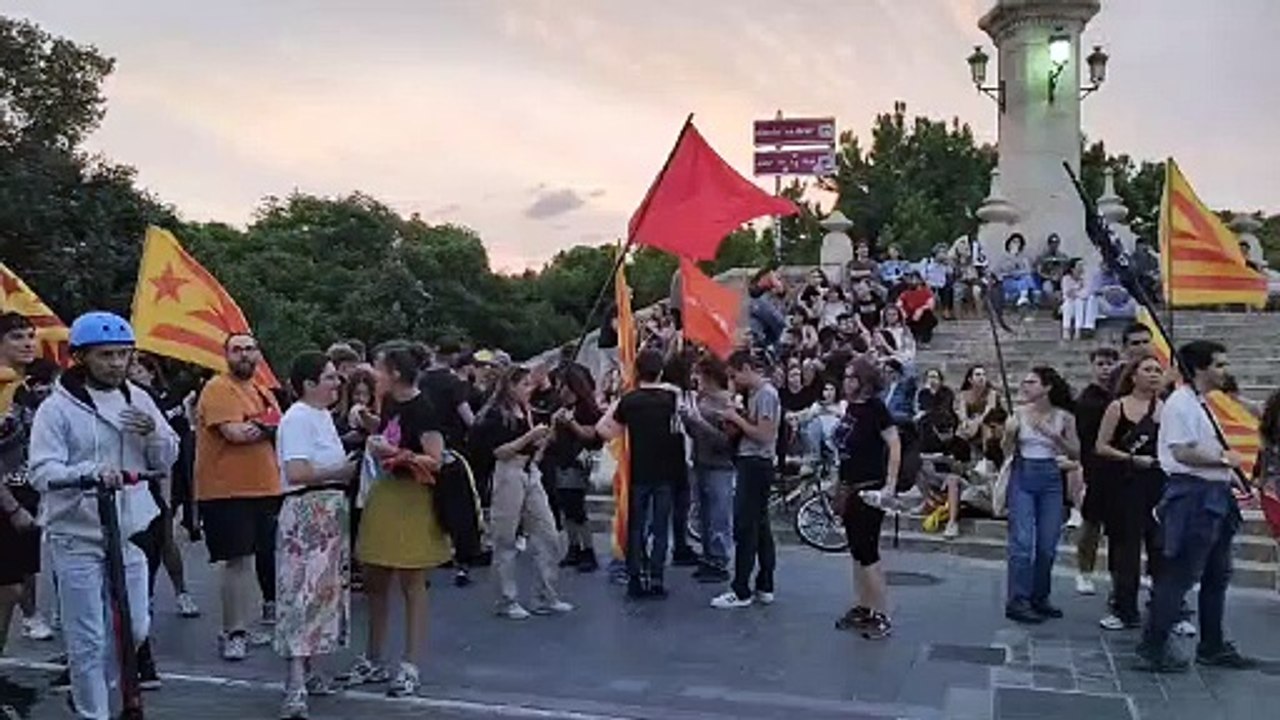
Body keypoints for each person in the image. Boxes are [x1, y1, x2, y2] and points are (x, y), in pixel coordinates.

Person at [29, 312, 179, 720]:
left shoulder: (138, 398)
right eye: (105, 355)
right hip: (76, 533)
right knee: (88, 637)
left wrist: (155, 434)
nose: (116, 363)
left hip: (127, 530)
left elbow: (166, 458)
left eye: (123, 355)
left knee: (134, 628)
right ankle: (94, 709)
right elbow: (41, 471)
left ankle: (96, 690)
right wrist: (87, 475)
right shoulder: (56, 409)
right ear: (80, 357)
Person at [1138, 341, 1257, 672]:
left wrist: (1232, 478)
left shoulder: (1200, 402)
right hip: (1192, 497)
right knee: (1181, 573)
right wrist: (1223, 459)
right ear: (1201, 369)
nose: (1224, 371)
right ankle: (1154, 644)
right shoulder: (1180, 404)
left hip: (1215, 494)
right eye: (1218, 365)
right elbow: (1182, 452)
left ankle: (1212, 643)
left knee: (1218, 573)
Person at [345, 343, 452, 696]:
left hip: (413, 498)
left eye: (377, 368)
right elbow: (394, 430)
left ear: (393, 372)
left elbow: (435, 460)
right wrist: (372, 425)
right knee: (375, 577)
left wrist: (392, 452)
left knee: (411, 582)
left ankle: (410, 664)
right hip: (386, 491)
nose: (372, 375)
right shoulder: (391, 402)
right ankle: (374, 657)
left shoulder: (424, 409)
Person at [274, 352, 358, 718]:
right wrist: (342, 469)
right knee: (301, 594)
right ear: (308, 384)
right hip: (308, 511)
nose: (337, 384)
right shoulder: (297, 419)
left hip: (327, 511)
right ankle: (295, 682)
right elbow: (297, 471)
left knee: (323, 594)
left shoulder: (321, 416)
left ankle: (311, 671)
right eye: (329, 378)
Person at [194, 333, 282, 661]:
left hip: (263, 486)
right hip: (227, 489)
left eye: (249, 349)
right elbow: (235, 433)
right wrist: (268, 426)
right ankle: (234, 632)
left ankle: (241, 624)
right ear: (225, 355)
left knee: (253, 558)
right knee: (237, 561)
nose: (244, 355)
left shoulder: (260, 390)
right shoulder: (219, 388)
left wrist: (261, 425)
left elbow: (277, 425)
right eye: (237, 350)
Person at [474, 365, 573, 617]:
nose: (530, 389)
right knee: (505, 537)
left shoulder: (527, 411)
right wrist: (530, 437)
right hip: (508, 471)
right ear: (511, 386)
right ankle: (506, 599)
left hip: (529, 471)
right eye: (525, 384)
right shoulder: (496, 414)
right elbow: (499, 451)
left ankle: (545, 594)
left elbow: (535, 450)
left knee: (548, 532)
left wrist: (544, 437)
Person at [597, 349, 685, 600]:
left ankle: (635, 578)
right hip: (666, 471)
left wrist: (621, 441)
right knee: (660, 528)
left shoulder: (630, 401)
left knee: (636, 527)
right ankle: (656, 578)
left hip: (638, 470)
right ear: (659, 372)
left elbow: (603, 428)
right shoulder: (672, 398)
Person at [1093, 352, 1166, 631]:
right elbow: (1101, 446)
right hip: (1126, 484)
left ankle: (1165, 607)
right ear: (1133, 375)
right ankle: (1125, 608)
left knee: (1160, 548)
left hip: (1158, 484)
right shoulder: (1118, 407)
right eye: (1147, 369)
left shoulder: (1167, 408)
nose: (1153, 374)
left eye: (1158, 370)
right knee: (1126, 549)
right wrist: (1131, 459)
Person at [1003, 367, 1079, 625]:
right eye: (1024, 382)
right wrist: (1009, 434)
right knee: (1022, 543)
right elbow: (1005, 451)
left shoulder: (1064, 417)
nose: (1026, 386)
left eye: (1032, 382)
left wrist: (1052, 435)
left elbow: (1076, 453)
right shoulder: (1018, 414)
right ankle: (1018, 600)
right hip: (1024, 473)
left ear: (1047, 387)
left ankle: (1040, 596)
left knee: (1047, 544)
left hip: (1050, 477)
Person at [126, 355, 200, 620]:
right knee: (139, 546)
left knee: (165, 539)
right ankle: (143, 597)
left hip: (168, 476)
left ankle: (181, 592)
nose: (132, 371)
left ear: (150, 372)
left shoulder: (163, 400)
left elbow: (178, 440)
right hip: (136, 481)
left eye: (137, 367)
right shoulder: (125, 400)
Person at [832, 358, 900, 640]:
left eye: (852, 377)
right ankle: (863, 605)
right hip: (850, 486)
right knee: (857, 551)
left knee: (869, 551)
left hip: (869, 487)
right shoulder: (851, 409)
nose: (846, 382)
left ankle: (881, 613)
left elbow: (894, 444)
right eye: (845, 377)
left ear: (864, 381)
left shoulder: (875, 409)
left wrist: (890, 485)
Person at [711, 350, 780, 610]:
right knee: (760, 526)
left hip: (756, 462)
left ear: (748, 368)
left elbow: (764, 434)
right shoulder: (754, 395)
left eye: (736, 374)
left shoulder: (766, 395)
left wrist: (736, 418)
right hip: (750, 461)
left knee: (746, 525)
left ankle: (741, 588)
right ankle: (764, 584)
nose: (735, 380)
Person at [417, 339, 484, 587]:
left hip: (423, 450)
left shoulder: (421, 380)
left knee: (428, 506)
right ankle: (463, 563)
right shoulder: (454, 383)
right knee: (461, 508)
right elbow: (469, 418)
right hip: (452, 450)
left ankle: (423, 566)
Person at [0, 313, 48, 657]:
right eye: (18, 336)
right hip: (6, 500)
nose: (29, 342)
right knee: (8, 589)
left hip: (26, 493)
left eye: (31, 335)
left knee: (13, 588)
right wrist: (11, 507)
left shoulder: (26, 389)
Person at [680, 356, 739, 584]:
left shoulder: (726, 402)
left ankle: (720, 557)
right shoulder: (701, 400)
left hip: (720, 466)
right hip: (701, 461)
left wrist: (698, 422)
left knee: (719, 514)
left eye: (700, 374)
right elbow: (696, 433)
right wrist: (688, 421)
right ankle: (708, 554)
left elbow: (725, 441)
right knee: (704, 513)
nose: (697, 379)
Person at [545, 364, 603, 573]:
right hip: (561, 459)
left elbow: (592, 434)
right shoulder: (558, 408)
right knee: (566, 507)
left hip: (578, 461)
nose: (560, 390)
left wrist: (571, 424)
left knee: (576, 507)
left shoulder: (586, 409)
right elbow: (552, 438)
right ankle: (573, 546)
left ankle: (587, 549)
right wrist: (553, 424)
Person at [1073, 347, 1119, 597]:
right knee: (1091, 525)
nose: (1105, 369)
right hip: (1096, 469)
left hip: (1121, 469)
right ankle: (1084, 571)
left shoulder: (1122, 394)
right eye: (1101, 364)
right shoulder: (1087, 399)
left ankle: (1119, 573)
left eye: (1110, 363)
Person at [955, 365, 1001, 457]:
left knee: (986, 428)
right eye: (978, 375)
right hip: (971, 422)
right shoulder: (964, 394)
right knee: (960, 431)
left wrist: (976, 423)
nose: (981, 377)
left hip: (989, 422)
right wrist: (966, 421)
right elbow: (962, 411)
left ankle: (987, 458)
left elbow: (989, 411)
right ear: (970, 379)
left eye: (983, 374)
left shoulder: (991, 393)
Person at [996, 233, 1039, 308]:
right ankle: (1026, 296)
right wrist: (1013, 257)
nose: (1016, 244)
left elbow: (1028, 270)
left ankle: (1031, 297)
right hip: (1009, 281)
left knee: (1027, 278)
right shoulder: (1004, 257)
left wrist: (1019, 272)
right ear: (1009, 243)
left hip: (1022, 279)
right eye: (1014, 242)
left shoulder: (1023, 257)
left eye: (1018, 242)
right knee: (1023, 281)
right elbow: (1002, 271)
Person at [897, 272, 938, 346]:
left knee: (927, 315)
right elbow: (899, 304)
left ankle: (924, 340)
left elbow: (931, 305)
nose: (913, 281)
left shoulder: (927, 292)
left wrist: (921, 309)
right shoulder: (905, 293)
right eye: (911, 279)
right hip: (909, 317)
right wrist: (902, 311)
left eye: (915, 279)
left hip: (922, 316)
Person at [1059, 259, 1095, 341]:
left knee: (1080, 302)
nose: (1081, 268)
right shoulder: (1066, 279)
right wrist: (1078, 290)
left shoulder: (1084, 279)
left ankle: (1078, 330)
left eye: (1082, 266)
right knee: (1068, 304)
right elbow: (1067, 294)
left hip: (1081, 306)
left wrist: (1076, 292)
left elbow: (1086, 293)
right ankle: (1066, 329)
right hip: (1068, 305)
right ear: (1073, 269)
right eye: (1079, 266)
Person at [918, 244, 955, 320]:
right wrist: (926, 282)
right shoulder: (927, 261)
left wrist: (948, 264)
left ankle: (946, 310)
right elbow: (922, 275)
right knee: (927, 291)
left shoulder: (945, 264)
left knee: (948, 290)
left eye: (944, 252)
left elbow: (950, 272)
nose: (942, 254)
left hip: (941, 284)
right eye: (940, 252)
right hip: (929, 283)